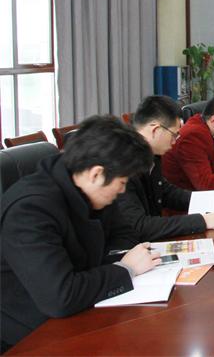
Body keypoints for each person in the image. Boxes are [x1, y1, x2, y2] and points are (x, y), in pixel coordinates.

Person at [0, 116, 161, 351]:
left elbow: (125, 234)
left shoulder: (88, 187)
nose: (123, 190)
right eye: (122, 182)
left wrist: (110, 266)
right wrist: (126, 268)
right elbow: (60, 297)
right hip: (32, 335)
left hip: (83, 309)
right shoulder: (29, 210)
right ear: (96, 174)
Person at [118, 96, 214, 242]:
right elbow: (139, 227)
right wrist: (203, 221)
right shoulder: (122, 163)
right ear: (155, 130)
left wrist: (211, 201)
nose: (175, 141)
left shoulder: (151, 153)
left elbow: (165, 191)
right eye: (174, 135)